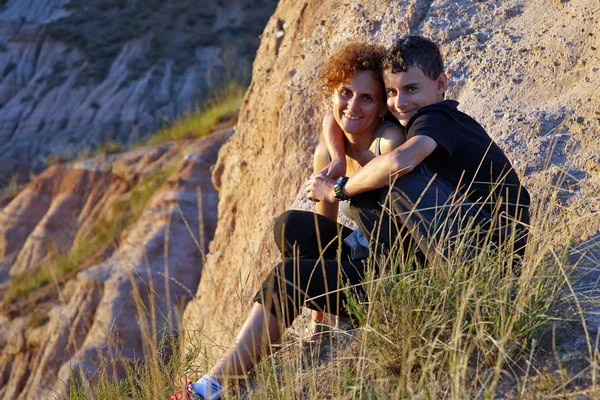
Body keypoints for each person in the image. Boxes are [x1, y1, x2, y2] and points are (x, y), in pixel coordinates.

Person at [168, 42, 405, 400]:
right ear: (332, 93)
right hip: (364, 260)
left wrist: (340, 182)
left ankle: (209, 388)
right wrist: (318, 322)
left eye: (366, 98)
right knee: (289, 225)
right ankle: (314, 325)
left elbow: (389, 198)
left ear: (381, 105)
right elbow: (322, 233)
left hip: (395, 275)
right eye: (345, 93)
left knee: (287, 276)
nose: (353, 106)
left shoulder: (388, 140)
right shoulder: (329, 151)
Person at [308, 35, 530, 262]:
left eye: (411, 89)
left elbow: (398, 162)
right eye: (392, 92)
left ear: (441, 84)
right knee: (301, 224)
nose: (400, 101)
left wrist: (340, 189)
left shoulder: (437, 118)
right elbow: (333, 117)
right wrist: (337, 159)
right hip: (472, 230)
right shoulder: (408, 115)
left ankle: (440, 278)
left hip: (497, 245)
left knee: (396, 179)